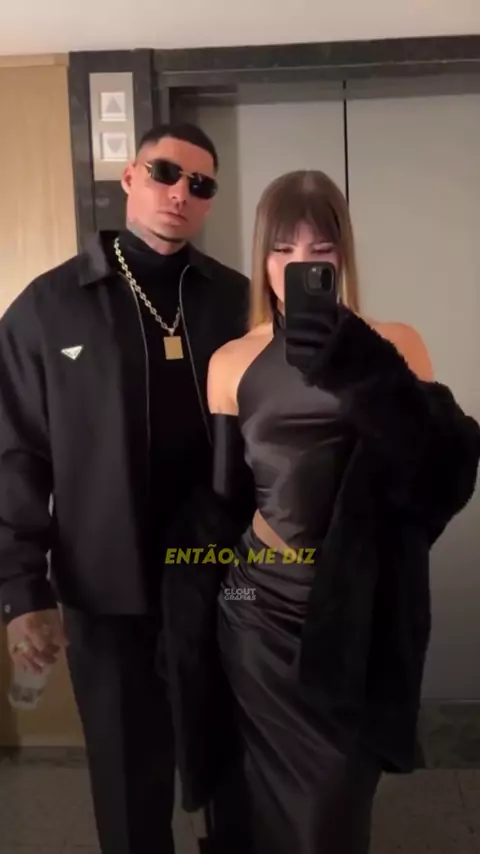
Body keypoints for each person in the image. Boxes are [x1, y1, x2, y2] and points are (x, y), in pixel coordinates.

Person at [206, 169, 480, 853]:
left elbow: (441, 474)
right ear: (261, 257)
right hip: (256, 611)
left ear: (342, 256)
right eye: (283, 250)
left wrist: (360, 364)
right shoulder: (231, 361)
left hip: (357, 610)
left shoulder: (396, 343)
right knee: (266, 814)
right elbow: (222, 498)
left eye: (319, 250)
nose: (300, 265)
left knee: (332, 815)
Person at [0, 122, 249, 854]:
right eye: (165, 173)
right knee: (127, 783)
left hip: (222, 579)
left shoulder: (235, 300)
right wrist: (21, 589)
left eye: (200, 184)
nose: (180, 193)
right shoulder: (50, 305)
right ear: (131, 177)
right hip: (106, 585)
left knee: (235, 766)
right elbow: (14, 453)